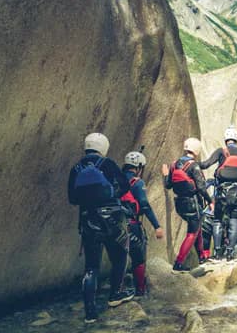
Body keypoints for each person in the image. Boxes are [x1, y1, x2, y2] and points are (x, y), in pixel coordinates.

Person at [68, 133, 134, 324]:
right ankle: (115, 295)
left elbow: (72, 199)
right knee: (120, 256)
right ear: (103, 146)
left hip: (89, 222)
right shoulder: (108, 164)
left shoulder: (76, 168)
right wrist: (111, 194)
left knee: (91, 268)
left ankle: (90, 313)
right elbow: (125, 186)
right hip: (112, 220)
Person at [199, 125, 237, 260]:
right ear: (236, 139)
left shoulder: (221, 151)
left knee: (217, 219)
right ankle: (230, 252)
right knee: (234, 219)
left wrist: (192, 163)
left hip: (222, 192)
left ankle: (218, 252)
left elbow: (206, 164)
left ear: (226, 139)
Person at [162, 137, 211, 272]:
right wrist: (211, 201)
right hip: (193, 203)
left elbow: (168, 185)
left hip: (180, 204)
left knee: (197, 227)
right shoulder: (193, 166)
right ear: (196, 150)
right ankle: (178, 263)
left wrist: (166, 175)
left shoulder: (173, 165)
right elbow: (201, 188)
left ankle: (202, 256)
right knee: (192, 233)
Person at [119, 151, 164, 297]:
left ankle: (118, 291)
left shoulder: (115, 180)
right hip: (132, 225)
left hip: (114, 225)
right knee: (138, 259)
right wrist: (157, 226)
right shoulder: (137, 183)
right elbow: (144, 205)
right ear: (138, 167)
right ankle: (140, 291)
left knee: (118, 258)